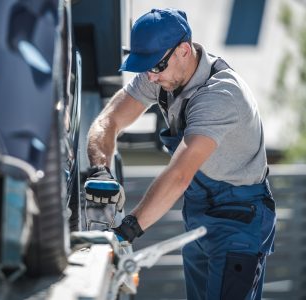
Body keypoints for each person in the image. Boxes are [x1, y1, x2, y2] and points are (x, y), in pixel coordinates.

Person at [84, 8, 276, 300]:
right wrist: (101, 171)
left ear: (184, 51)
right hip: (199, 212)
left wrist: (126, 231)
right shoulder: (162, 72)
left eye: (156, 66)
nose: (150, 75)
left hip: (239, 220)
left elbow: (179, 174)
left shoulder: (220, 96)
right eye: (144, 67)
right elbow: (108, 121)